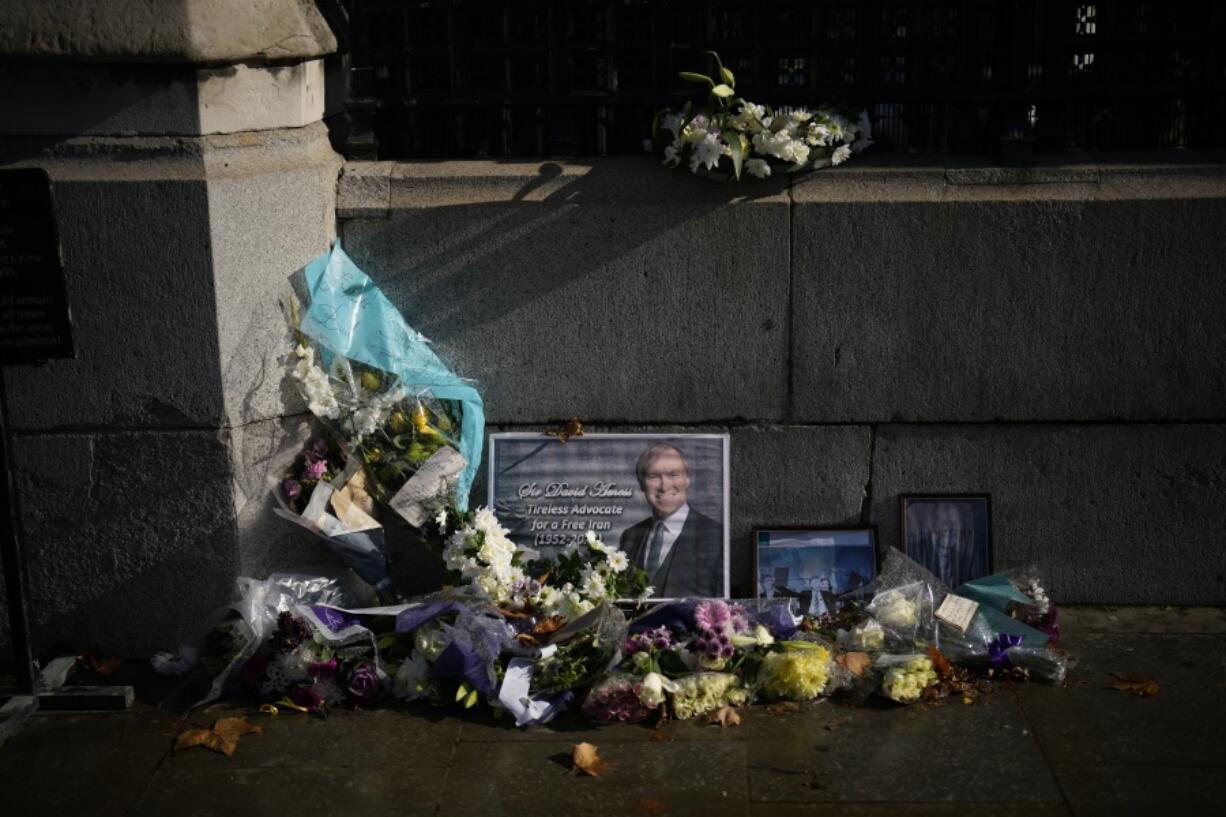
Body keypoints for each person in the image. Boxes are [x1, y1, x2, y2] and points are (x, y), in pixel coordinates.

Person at [619, 442, 723, 597]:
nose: (664, 486)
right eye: (653, 476)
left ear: (687, 479)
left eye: (673, 475)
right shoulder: (630, 536)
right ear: (641, 484)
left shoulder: (717, 536)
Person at [911, 502, 986, 588]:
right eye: (944, 523)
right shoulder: (918, 553)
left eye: (955, 524)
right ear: (932, 525)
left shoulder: (967, 558)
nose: (950, 529)